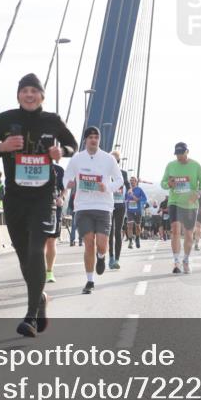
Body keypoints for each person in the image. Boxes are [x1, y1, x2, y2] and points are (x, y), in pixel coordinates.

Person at [0, 73, 78, 337]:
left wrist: (62, 152)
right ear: (18, 95)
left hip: (43, 199)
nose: (30, 94)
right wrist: (3, 146)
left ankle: (31, 316)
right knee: (24, 258)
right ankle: (41, 299)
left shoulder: (52, 121)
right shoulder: (5, 119)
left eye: (34, 90)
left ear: (42, 96)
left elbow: (73, 145)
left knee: (37, 252)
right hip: (15, 199)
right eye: (25, 90)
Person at [62, 126, 124, 294]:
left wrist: (107, 187)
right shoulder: (77, 159)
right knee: (89, 244)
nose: (93, 139)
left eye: (96, 137)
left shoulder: (108, 159)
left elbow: (119, 180)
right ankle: (90, 281)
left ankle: (102, 257)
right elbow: (66, 176)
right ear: (85, 140)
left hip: (103, 206)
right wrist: (67, 183)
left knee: (101, 245)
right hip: (83, 206)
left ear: (99, 140)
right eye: (90, 137)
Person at [160, 142, 201, 273]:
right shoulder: (170, 165)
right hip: (174, 201)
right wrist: (168, 184)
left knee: (188, 233)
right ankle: (176, 262)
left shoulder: (196, 166)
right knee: (175, 230)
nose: (179, 156)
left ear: (187, 152)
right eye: (177, 154)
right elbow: (163, 183)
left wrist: (197, 194)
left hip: (190, 204)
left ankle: (186, 260)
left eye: (181, 153)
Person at [45, 158, 66, 283]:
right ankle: (38, 271)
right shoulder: (35, 166)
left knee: (51, 241)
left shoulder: (59, 170)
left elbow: (64, 188)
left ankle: (49, 272)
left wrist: (61, 197)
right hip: (37, 208)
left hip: (54, 208)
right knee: (39, 241)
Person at [108, 150, 130, 270]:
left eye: (116, 160)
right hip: (109, 205)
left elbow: (127, 184)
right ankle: (110, 257)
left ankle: (117, 259)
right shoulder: (105, 172)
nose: (113, 162)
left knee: (118, 232)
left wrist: (130, 189)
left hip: (120, 205)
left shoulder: (123, 173)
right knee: (110, 233)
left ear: (119, 161)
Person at [125, 176, 149, 248]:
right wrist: (127, 201)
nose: (132, 182)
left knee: (138, 226)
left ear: (136, 182)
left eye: (133, 180)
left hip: (138, 210)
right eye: (131, 181)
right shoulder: (128, 190)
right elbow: (125, 199)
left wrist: (137, 199)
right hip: (130, 211)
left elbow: (145, 198)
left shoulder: (139, 190)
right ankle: (130, 241)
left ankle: (137, 238)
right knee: (129, 226)